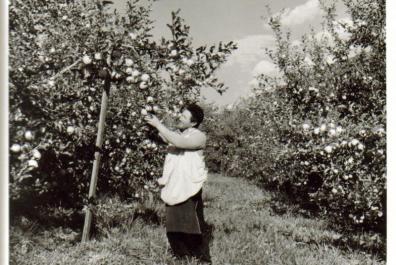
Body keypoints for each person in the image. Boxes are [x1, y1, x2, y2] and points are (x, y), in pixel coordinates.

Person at [144, 103, 211, 263]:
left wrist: (159, 124)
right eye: (180, 114)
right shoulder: (176, 134)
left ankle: (200, 259)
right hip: (174, 185)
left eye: (183, 116)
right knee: (173, 225)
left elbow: (179, 142)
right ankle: (181, 257)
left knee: (191, 225)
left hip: (189, 186)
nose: (179, 117)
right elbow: (160, 136)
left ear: (193, 122)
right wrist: (149, 120)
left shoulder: (198, 136)